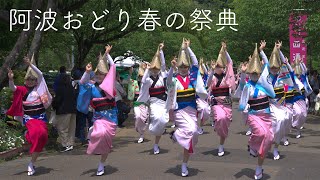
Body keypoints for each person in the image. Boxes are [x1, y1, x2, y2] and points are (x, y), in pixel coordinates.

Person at [166, 38, 207, 177]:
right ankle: (177, 135)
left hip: (192, 111)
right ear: (178, 67)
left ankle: (184, 162)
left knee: (194, 134)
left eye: (185, 67)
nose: (183, 69)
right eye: (181, 67)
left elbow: (195, 62)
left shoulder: (193, 78)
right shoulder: (175, 80)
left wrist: (188, 48)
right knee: (190, 131)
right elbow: (167, 81)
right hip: (179, 111)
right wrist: (172, 68)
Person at [6, 55, 52, 176]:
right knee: (37, 133)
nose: (30, 81)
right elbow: (13, 88)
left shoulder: (39, 89)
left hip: (41, 117)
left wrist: (30, 65)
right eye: (28, 79)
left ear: (35, 81)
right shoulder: (22, 89)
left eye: (33, 80)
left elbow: (41, 75)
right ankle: (28, 135)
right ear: (25, 80)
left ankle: (32, 162)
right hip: (30, 118)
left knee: (43, 136)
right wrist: (11, 79)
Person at [77, 45, 117, 176]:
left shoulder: (110, 86)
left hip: (111, 117)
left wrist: (107, 54)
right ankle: (92, 134)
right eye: (98, 73)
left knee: (107, 140)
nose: (99, 75)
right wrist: (87, 72)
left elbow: (113, 66)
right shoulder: (91, 86)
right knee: (99, 133)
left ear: (106, 75)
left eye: (102, 74)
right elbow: (82, 83)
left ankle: (101, 164)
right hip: (99, 117)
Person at [238, 42, 275, 180]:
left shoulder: (265, 83)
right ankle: (252, 144)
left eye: (256, 72)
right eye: (252, 72)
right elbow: (241, 89)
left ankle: (259, 167)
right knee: (261, 133)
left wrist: (261, 51)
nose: (254, 74)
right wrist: (242, 73)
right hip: (254, 116)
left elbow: (267, 65)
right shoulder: (248, 86)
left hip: (266, 115)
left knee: (268, 138)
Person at [138, 42, 169, 155]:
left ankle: (156, 143)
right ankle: (153, 129)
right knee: (156, 117)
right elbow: (142, 80)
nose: (155, 70)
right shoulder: (148, 80)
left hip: (163, 102)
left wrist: (161, 51)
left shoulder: (162, 76)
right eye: (153, 69)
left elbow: (164, 65)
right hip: (154, 102)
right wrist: (147, 69)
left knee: (163, 120)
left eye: (157, 69)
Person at [207, 42, 236, 157]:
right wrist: (211, 71)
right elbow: (208, 84)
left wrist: (225, 51)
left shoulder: (227, 76)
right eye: (217, 66)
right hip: (216, 103)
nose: (219, 68)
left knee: (225, 122)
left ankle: (221, 145)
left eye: (221, 66)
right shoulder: (213, 77)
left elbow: (230, 63)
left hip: (227, 103)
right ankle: (217, 123)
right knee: (221, 117)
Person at [52, 73, 77, 152]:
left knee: (63, 129)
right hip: (73, 110)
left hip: (63, 111)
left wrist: (54, 106)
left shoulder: (60, 88)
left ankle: (65, 145)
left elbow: (57, 100)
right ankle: (70, 143)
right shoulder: (71, 88)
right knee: (71, 128)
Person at [127, 63, 149, 143]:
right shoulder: (134, 83)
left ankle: (142, 134)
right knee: (138, 117)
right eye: (139, 76)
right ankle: (140, 132)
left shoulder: (147, 83)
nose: (140, 78)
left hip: (144, 104)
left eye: (142, 76)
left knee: (143, 119)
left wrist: (146, 69)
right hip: (136, 104)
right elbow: (130, 90)